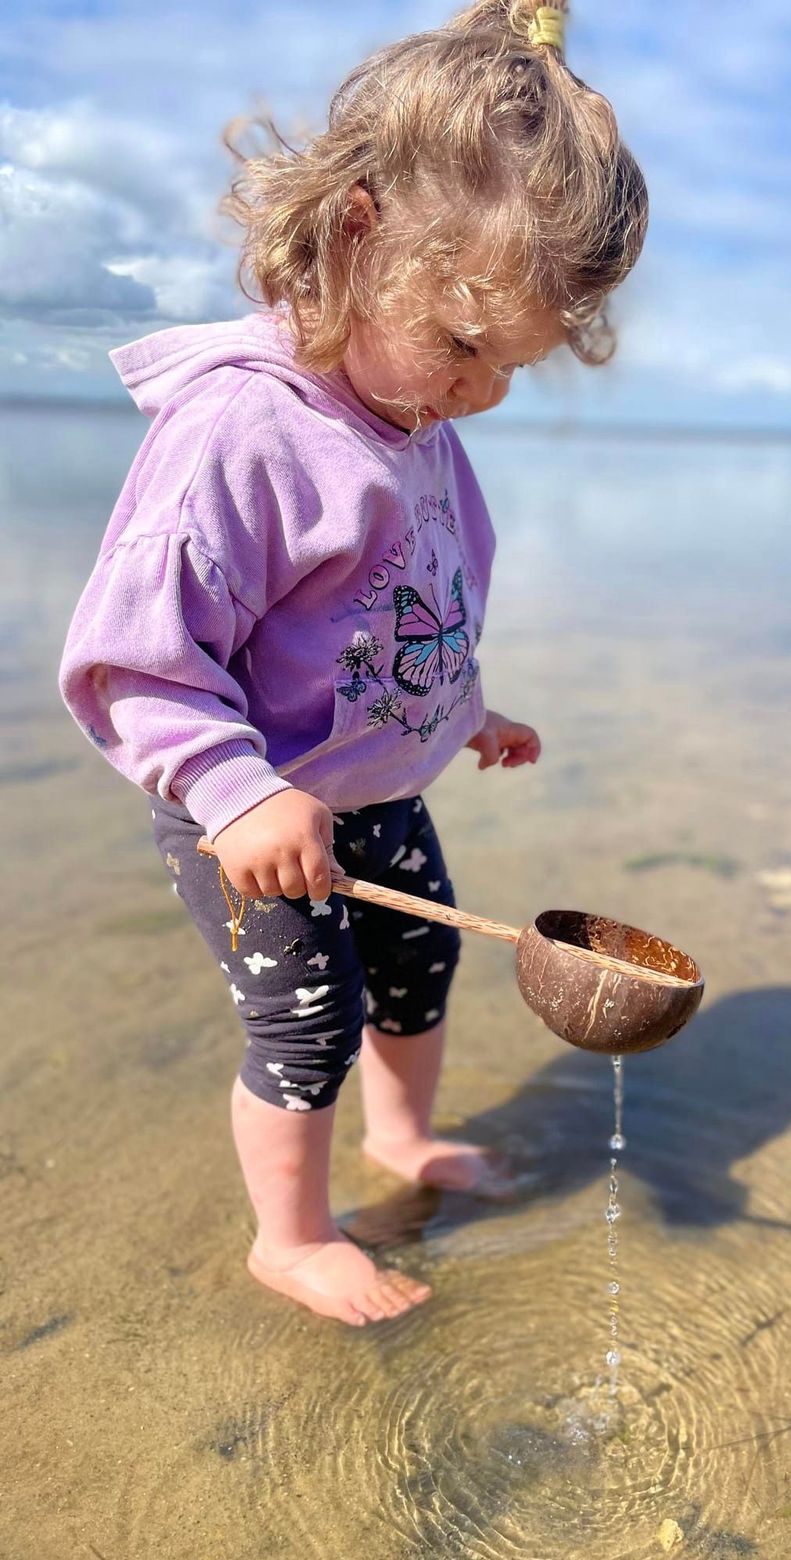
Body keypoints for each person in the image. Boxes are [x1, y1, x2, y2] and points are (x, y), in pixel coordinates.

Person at [58, 0, 648, 1327]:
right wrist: (235, 792)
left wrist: (463, 706)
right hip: (254, 817)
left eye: (513, 367)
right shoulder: (244, 434)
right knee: (307, 1023)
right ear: (356, 236)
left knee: (419, 972)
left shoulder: (413, 413)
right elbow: (134, 664)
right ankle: (290, 1235)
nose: (478, 393)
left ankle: (402, 1143)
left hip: (378, 793)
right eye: (464, 345)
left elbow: (395, 608)